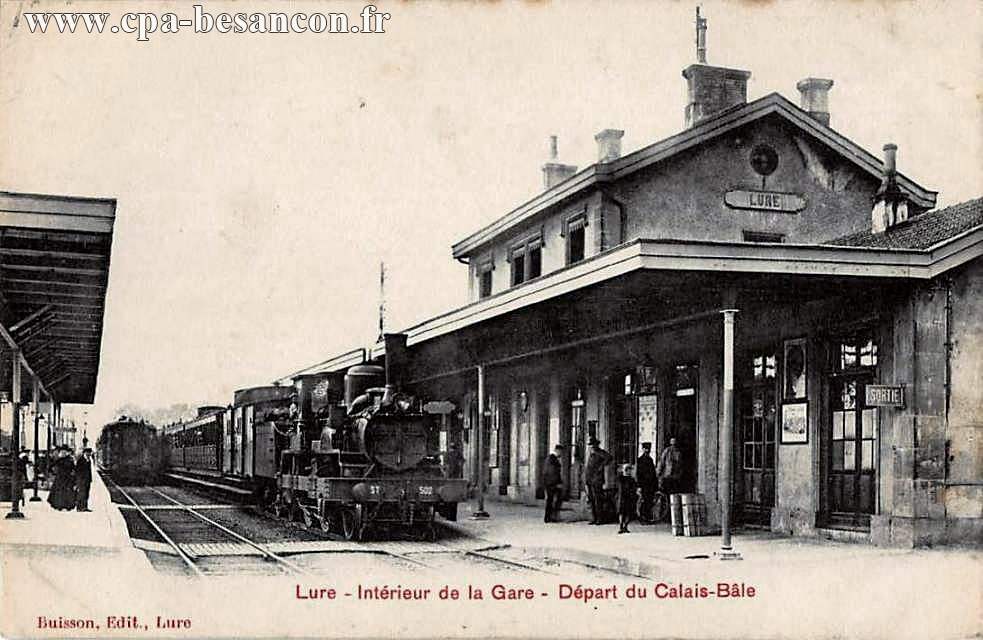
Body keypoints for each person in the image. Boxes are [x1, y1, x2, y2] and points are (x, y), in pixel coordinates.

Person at [584, 437, 612, 525]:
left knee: (598, 500)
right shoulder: (591, 453)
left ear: (596, 445)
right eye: (590, 445)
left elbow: (609, 458)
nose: (591, 446)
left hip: (597, 480)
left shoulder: (600, 452)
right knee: (591, 499)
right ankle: (594, 518)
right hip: (590, 479)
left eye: (593, 445)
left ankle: (600, 519)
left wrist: (601, 467)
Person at [47, 445, 76, 511]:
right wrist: (53, 473)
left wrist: (73, 475)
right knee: (59, 492)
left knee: (67, 492)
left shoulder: (70, 460)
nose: (63, 453)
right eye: (62, 452)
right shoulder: (59, 460)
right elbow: (50, 466)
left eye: (64, 452)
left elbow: (74, 469)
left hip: (67, 478)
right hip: (60, 478)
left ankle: (67, 506)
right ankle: (59, 505)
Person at [635, 442, 657, 522]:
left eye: (649, 449)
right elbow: (638, 474)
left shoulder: (650, 460)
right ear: (643, 449)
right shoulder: (640, 460)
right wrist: (639, 485)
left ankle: (647, 517)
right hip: (644, 484)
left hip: (650, 484)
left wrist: (655, 485)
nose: (647, 450)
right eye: (646, 449)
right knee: (644, 501)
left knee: (650, 501)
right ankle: (643, 517)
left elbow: (653, 474)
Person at [542, 444, 564, 523]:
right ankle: (551, 517)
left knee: (550, 500)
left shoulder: (550, 458)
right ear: (557, 451)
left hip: (549, 483)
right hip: (552, 483)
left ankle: (549, 517)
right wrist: (557, 483)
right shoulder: (552, 459)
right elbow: (553, 472)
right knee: (554, 500)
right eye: (561, 452)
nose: (561, 454)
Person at [616, 463, 637, 534]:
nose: (629, 471)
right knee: (621, 512)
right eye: (628, 470)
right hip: (622, 497)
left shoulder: (631, 479)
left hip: (628, 497)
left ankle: (625, 526)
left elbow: (634, 488)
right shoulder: (621, 478)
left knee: (628, 512)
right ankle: (621, 526)